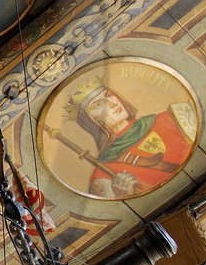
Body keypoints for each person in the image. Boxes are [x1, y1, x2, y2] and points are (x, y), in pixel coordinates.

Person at [65, 80, 196, 198]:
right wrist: (124, 195)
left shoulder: (174, 118)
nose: (112, 104)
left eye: (109, 95)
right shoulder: (103, 175)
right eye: (98, 105)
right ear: (91, 121)